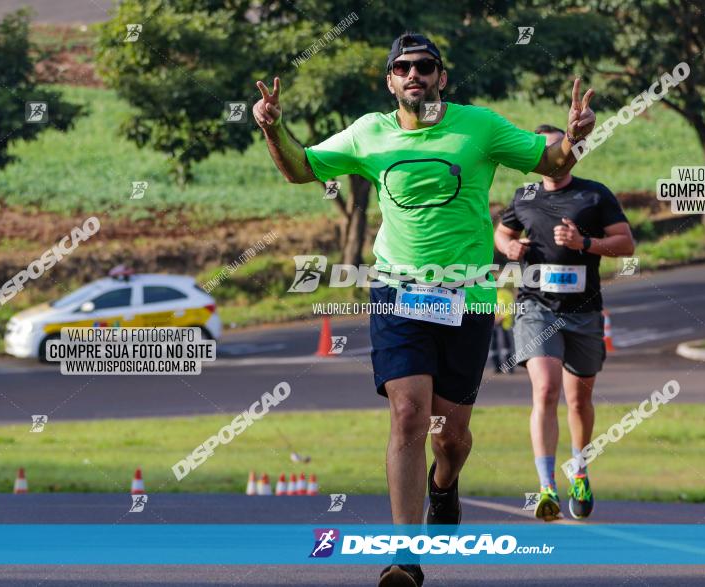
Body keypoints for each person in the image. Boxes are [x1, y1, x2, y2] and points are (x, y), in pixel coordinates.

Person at [254, 34, 595, 587]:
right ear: (390, 81)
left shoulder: (478, 127)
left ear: (441, 76)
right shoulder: (368, 133)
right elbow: (302, 168)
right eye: (403, 68)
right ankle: (404, 556)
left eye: (425, 66)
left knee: (450, 436)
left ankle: (445, 484)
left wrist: (576, 138)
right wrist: (272, 127)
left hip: (469, 296)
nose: (414, 74)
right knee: (409, 413)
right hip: (397, 289)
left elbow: (550, 157)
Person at [494, 124, 634, 522]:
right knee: (546, 390)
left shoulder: (594, 194)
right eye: (544, 150)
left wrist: (584, 244)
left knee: (579, 399)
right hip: (535, 307)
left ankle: (581, 471)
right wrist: (511, 247)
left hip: (584, 311)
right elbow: (502, 234)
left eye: (560, 148)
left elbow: (626, 243)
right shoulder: (524, 196)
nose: (553, 156)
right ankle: (546, 487)